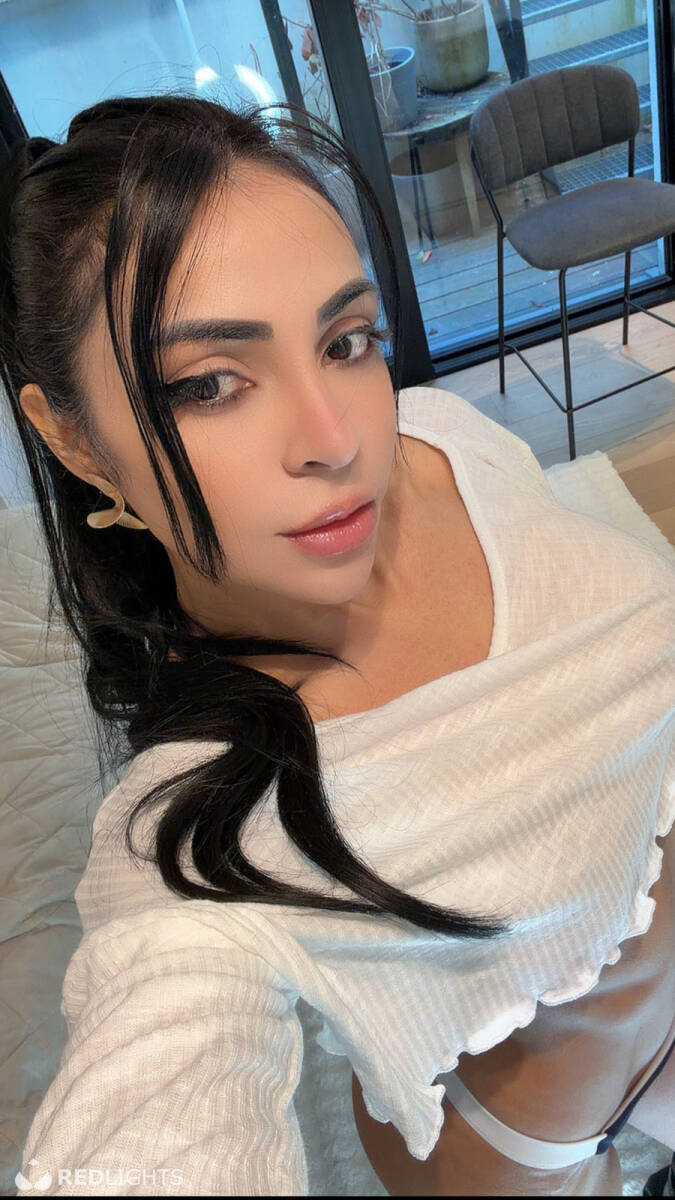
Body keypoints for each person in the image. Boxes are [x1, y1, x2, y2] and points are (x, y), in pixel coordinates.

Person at [1, 93, 672, 1197]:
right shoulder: (188, 849)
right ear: (73, 440)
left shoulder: (445, 437)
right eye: (209, 385)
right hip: (529, 1146)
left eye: (345, 341)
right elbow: (156, 1095)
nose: (337, 440)